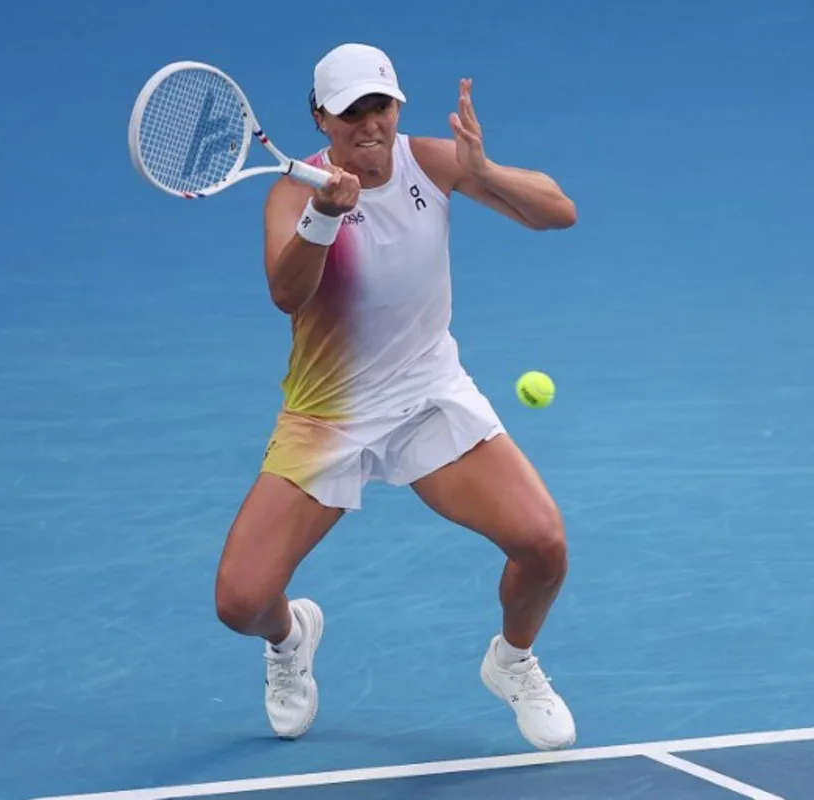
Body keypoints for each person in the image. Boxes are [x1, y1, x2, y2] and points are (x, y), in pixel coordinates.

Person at [212, 42, 579, 752]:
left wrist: (485, 172)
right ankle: (292, 639)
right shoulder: (294, 192)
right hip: (328, 417)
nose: (368, 124)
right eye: (350, 111)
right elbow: (286, 294)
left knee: (543, 545)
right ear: (321, 117)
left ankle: (513, 663)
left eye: (379, 105)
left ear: (397, 105)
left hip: (426, 398)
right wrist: (323, 216)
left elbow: (557, 212)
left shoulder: (433, 164)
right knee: (240, 602)